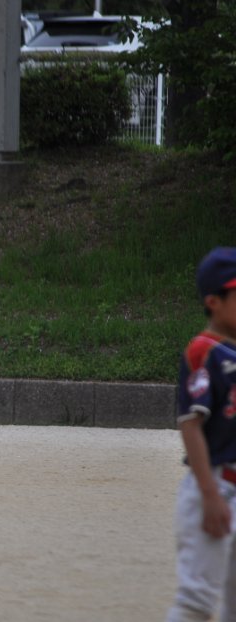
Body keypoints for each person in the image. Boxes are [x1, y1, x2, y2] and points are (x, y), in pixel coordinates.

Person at [168, 247, 236, 622]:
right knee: (196, 604)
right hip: (215, 486)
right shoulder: (204, 352)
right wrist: (210, 495)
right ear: (214, 301)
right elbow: (190, 423)